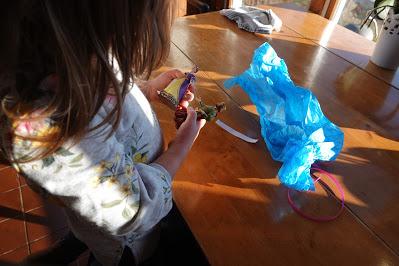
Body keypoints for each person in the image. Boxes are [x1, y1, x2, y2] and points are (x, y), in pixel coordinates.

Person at [0, 1, 205, 265]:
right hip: (128, 242)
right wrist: (182, 145)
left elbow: (106, 94)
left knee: (89, 223)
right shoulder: (55, 127)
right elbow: (133, 211)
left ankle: (78, 243)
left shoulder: (74, 53)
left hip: (101, 200)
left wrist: (147, 90)